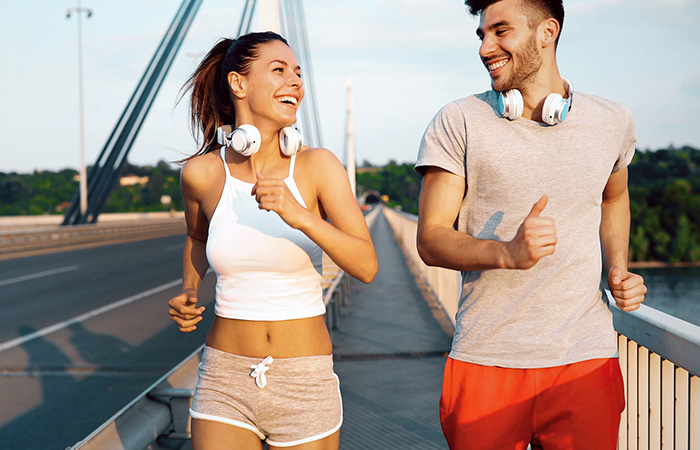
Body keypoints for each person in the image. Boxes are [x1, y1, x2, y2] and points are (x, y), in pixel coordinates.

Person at [415, 1, 647, 448]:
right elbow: (430, 239)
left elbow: (614, 196)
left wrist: (618, 266)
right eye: (481, 35)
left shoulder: (612, 121)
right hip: (485, 358)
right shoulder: (458, 120)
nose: (486, 47)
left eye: (501, 31)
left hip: (585, 357)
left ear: (547, 32)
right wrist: (505, 252)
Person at [168, 31, 377, 450]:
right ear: (238, 83)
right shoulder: (202, 174)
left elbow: (366, 265)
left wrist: (299, 216)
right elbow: (197, 236)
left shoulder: (318, 166)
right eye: (279, 70)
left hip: (304, 380)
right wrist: (188, 290)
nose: (296, 81)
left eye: (298, 73)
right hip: (224, 379)